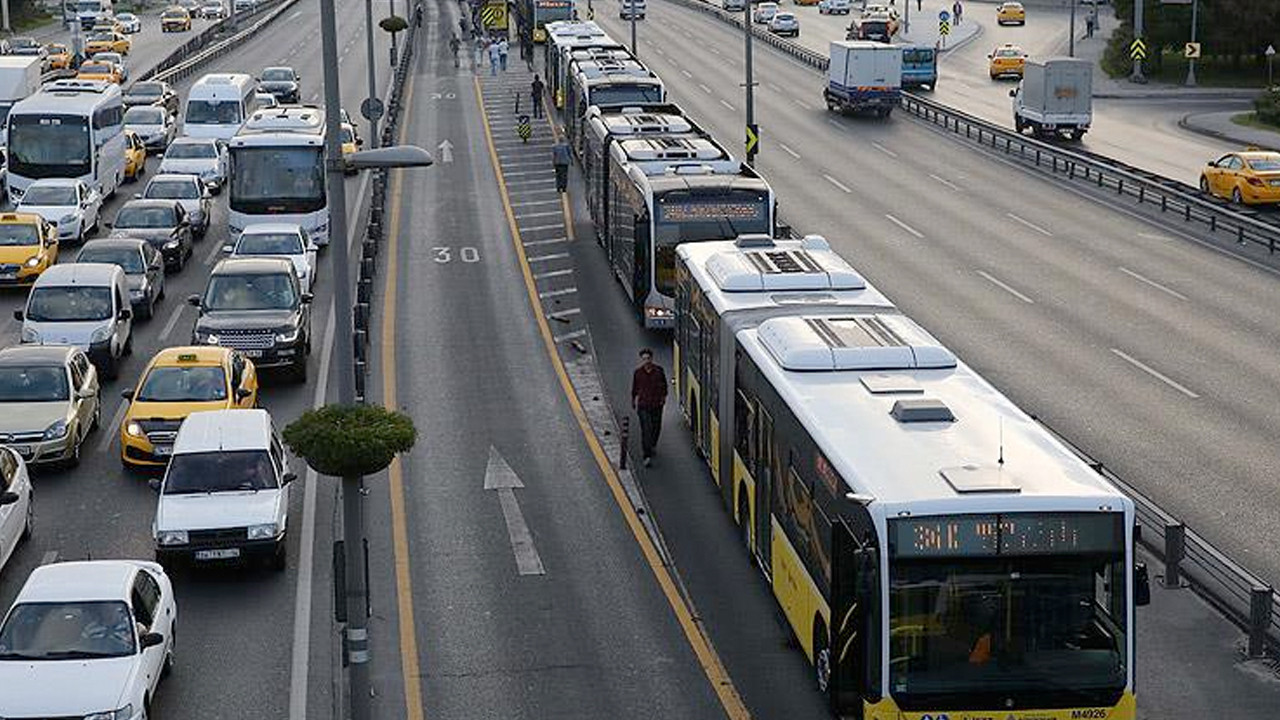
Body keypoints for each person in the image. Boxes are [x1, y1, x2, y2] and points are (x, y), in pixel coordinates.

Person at [631, 349, 668, 467]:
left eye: (648, 358)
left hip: (656, 405)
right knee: (646, 429)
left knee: (656, 428)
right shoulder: (638, 373)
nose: (646, 361)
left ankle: (652, 445)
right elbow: (635, 388)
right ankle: (646, 455)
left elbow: (664, 385)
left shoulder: (659, 371)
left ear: (652, 359)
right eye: (644, 359)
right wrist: (633, 400)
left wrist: (663, 398)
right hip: (643, 406)